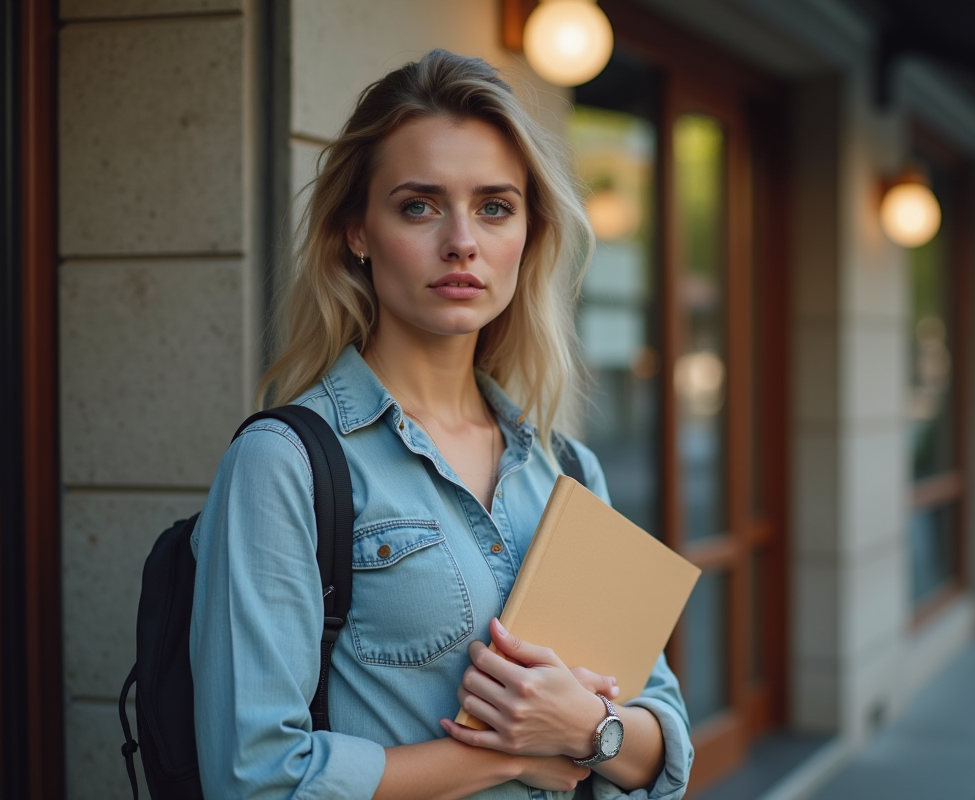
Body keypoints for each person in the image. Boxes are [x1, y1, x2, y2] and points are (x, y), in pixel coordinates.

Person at [189, 49, 693, 800]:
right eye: (418, 205)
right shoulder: (285, 464)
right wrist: (511, 753)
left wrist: (590, 732)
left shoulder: (568, 467)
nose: (462, 240)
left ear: (527, 236)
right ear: (356, 231)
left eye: (495, 207)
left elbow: (665, 741)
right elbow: (254, 779)